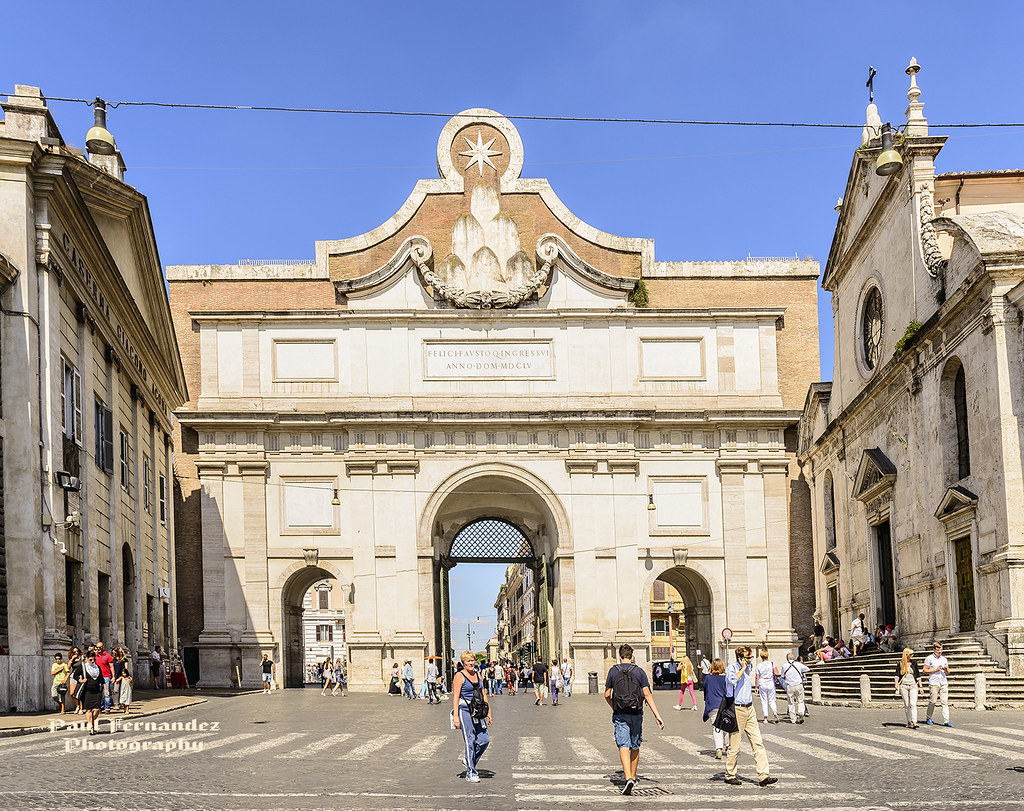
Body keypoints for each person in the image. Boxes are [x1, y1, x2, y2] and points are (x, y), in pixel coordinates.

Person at [604, 644, 664, 796]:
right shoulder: (639, 671)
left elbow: (606, 694)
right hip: (636, 712)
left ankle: (628, 778)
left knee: (623, 744)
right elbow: (647, 694)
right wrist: (657, 715)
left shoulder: (613, 671)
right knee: (635, 744)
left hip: (620, 713)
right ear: (632, 657)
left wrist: (614, 707)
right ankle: (634, 776)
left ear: (619, 657)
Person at [723, 645, 777, 787]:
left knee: (758, 742)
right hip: (737, 709)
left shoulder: (749, 667)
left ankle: (763, 775)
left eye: (750, 657)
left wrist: (747, 667)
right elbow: (732, 681)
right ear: (740, 658)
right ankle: (730, 774)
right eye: (748, 657)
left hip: (750, 708)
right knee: (735, 745)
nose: (750, 660)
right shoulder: (731, 669)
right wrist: (742, 668)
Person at [451, 650, 491, 784]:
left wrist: (489, 712)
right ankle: (471, 772)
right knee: (470, 740)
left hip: (478, 711)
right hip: (465, 710)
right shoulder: (459, 676)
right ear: (463, 663)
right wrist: (455, 716)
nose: (471, 663)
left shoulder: (478, 674)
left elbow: (483, 693)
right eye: (468, 661)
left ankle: (469, 761)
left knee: (484, 739)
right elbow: (455, 696)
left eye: (472, 660)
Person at [71, 650, 108, 735]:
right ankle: (90, 725)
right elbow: (75, 675)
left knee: (97, 709)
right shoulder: (83, 666)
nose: (92, 661)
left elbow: (101, 680)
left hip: (96, 691)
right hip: (87, 691)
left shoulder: (97, 667)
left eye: (94, 660)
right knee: (88, 710)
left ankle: (91, 722)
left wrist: (106, 689)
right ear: (87, 658)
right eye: (91, 659)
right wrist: (80, 680)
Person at [702, 657, 728, 759]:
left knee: (716, 727)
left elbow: (705, 691)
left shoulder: (708, 678)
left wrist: (706, 700)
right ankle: (728, 747)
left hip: (712, 706)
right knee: (726, 727)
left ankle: (718, 749)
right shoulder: (726, 678)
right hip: (724, 706)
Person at [923, 641, 952, 727]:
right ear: (934, 650)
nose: (939, 652)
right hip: (934, 682)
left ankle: (946, 720)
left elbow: (948, 672)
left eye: (941, 650)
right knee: (933, 701)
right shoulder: (929, 658)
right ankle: (929, 717)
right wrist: (935, 670)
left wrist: (945, 669)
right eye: (938, 650)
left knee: (944, 702)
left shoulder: (944, 659)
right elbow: (925, 670)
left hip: (943, 682)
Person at [895, 647, 922, 729]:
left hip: (913, 685)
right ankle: (909, 721)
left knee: (913, 704)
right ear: (906, 655)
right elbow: (897, 675)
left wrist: (920, 686)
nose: (912, 655)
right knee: (907, 704)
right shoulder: (900, 664)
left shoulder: (914, 663)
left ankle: (915, 721)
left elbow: (918, 675)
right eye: (911, 654)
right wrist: (896, 684)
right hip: (904, 685)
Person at [781, 653, 809, 724]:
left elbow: (782, 676)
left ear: (787, 659)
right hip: (799, 685)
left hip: (790, 685)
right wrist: (800, 671)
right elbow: (807, 669)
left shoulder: (784, 666)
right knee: (800, 701)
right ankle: (800, 713)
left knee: (791, 703)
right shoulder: (798, 664)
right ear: (794, 658)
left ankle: (793, 719)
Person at [754, 650, 780, 723]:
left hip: (762, 683)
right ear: (767, 656)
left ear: (761, 657)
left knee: (764, 700)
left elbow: (757, 677)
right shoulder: (772, 664)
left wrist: (756, 687)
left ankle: (765, 718)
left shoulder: (759, 665)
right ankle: (774, 711)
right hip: (770, 683)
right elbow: (776, 673)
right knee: (772, 700)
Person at [116, 649, 134, 713]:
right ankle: (124, 708)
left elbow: (131, 682)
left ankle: (127, 710)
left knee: (127, 700)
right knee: (122, 700)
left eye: (124, 673)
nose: (123, 674)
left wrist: (131, 683)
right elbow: (117, 680)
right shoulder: (121, 677)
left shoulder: (128, 677)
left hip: (128, 690)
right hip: (123, 689)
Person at [67, 647, 83, 714]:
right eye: (74, 652)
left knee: (79, 693)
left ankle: (81, 709)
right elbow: (68, 668)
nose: (76, 653)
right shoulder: (72, 659)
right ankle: (77, 706)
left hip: (80, 676)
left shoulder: (82, 658)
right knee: (72, 693)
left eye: (77, 651)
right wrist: (72, 659)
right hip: (73, 676)